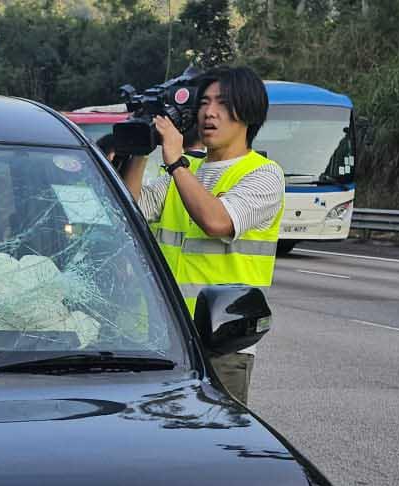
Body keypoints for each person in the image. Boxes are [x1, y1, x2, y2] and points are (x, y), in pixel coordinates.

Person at [121, 66, 283, 404]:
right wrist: (141, 145)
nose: (210, 112)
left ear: (248, 112)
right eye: (205, 102)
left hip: (220, 346)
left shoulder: (264, 175)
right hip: (163, 339)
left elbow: (217, 221)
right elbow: (130, 208)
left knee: (213, 446)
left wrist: (176, 162)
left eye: (223, 104)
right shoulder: (187, 171)